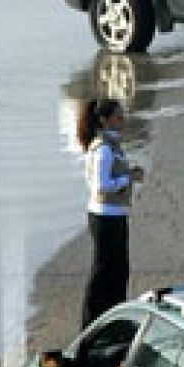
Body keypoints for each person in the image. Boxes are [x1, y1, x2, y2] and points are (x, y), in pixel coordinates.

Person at [78, 98, 144, 328]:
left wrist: (129, 174)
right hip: (105, 216)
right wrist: (128, 178)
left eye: (122, 116)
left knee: (119, 271)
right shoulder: (103, 149)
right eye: (118, 117)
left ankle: (113, 320)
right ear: (105, 120)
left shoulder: (111, 146)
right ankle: (90, 324)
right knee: (104, 272)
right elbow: (101, 185)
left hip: (114, 214)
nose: (123, 121)